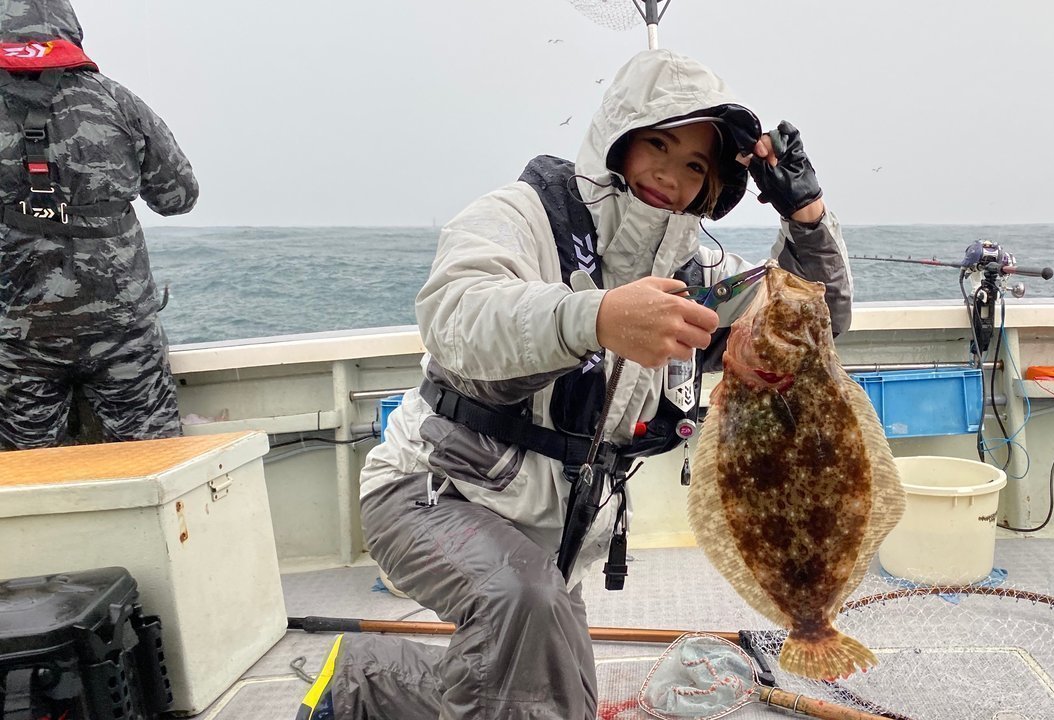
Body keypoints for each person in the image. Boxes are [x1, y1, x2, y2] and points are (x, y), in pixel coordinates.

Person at [297, 48, 853, 720]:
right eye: (658, 144)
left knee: (553, 696)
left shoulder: (703, 275)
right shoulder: (523, 216)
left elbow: (816, 322)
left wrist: (808, 218)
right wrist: (592, 317)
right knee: (523, 619)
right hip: (432, 493)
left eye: (696, 166)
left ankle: (359, 685)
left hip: (551, 540)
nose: (670, 176)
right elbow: (456, 314)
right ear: (618, 136)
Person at [0, 0, 198, 450]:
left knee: (19, 482)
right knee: (152, 463)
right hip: (122, 330)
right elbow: (178, 198)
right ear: (70, 30)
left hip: (17, 339)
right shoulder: (118, 100)